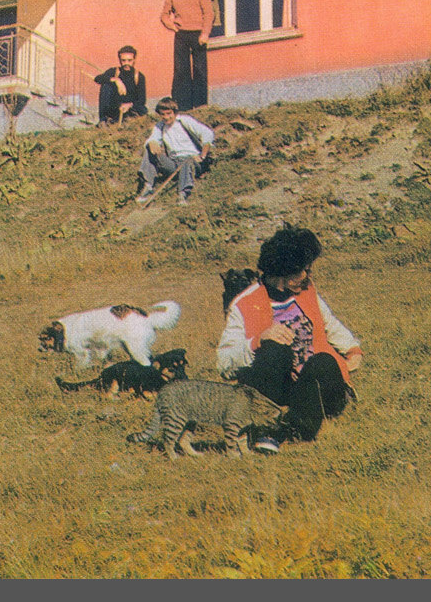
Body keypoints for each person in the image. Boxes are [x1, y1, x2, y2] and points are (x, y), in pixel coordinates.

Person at [217, 225, 363, 453]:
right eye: (303, 271)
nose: (308, 276)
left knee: (324, 362)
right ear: (283, 272)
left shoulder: (307, 291)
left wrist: (353, 349)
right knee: (273, 348)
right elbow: (224, 364)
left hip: (313, 386)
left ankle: (293, 429)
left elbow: (329, 323)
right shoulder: (244, 304)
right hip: (276, 387)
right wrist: (257, 341)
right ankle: (268, 424)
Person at [136, 97, 213, 206]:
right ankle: (148, 187)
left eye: (169, 113)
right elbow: (152, 138)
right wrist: (152, 142)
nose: (166, 117)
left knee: (187, 161)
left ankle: (183, 194)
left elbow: (207, 133)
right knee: (149, 149)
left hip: (192, 160)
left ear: (175, 112)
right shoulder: (160, 126)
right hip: (173, 163)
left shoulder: (184, 121)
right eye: (163, 114)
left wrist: (202, 155)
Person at [159, 0, 214, 110]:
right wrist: (173, 27)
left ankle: (201, 106)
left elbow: (209, 13)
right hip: (182, 35)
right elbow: (164, 15)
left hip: (198, 34)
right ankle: (184, 106)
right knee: (181, 70)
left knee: (199, 69)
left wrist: (205, 33)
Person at [94, 45, 147, 125]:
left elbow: (142, 99)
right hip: (115, 107)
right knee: (106, 86)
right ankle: (103, 120)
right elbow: (97, 78)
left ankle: (129, 120)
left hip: (130, 107)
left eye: (129, 60)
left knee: (142, 109)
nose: (126, 63)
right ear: (119, 60)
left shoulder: (139, 76)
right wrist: (116, 80)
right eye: (123, 60)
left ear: (134, 60)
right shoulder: (114, 71)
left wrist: (129, 105)